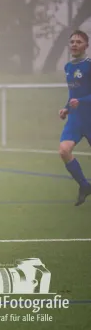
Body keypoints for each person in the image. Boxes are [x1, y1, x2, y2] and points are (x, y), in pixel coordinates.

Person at [59, 30, 91, 206]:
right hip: (76, 120)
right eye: (72, 42)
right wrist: (65, 109)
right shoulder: (68, 67)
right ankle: (85, 186)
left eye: (79, 42)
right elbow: (73, 95)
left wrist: (82, 101)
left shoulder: (89, 65)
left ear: (86, 45)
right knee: (64, 150)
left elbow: (80, 97)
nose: (74, 44)